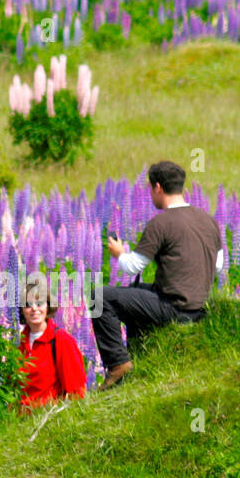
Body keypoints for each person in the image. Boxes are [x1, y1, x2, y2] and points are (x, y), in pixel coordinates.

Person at [93, 160, 224, 390]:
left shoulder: (162, 222)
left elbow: (132, 266)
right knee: (136, 291)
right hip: (199, 307)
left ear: (158, 188)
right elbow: (219, 265)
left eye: (150, 189)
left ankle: (117, 365)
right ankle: (139, 357)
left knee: (99, 297)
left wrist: (119, 253)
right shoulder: (208, 220)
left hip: (173, 307)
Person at [17, 276, 87, 410]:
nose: (34, 309)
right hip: (18, 421)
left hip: (48, 417)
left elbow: (76, 390)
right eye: (27, 304)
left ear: (48, 306)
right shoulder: (19, 342)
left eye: (39, 303)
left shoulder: (60, 339)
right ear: (21, 310)